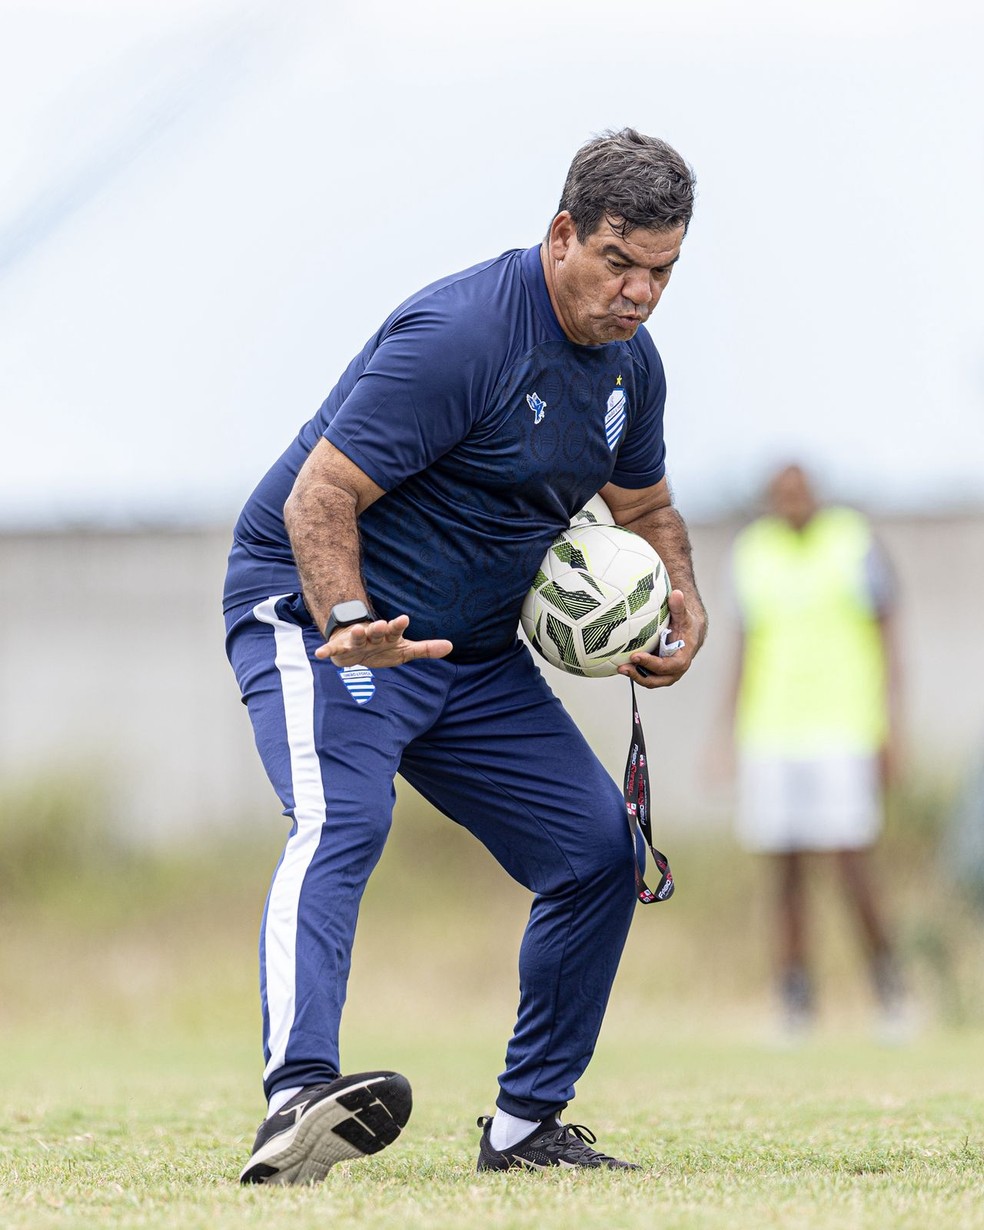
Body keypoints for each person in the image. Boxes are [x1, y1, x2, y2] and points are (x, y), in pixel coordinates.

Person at [223, 127, 707, 1183]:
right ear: (563, 234)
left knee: (597, 851)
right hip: (323, 619)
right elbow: (318, 496)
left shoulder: (632, 369)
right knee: (344, 818)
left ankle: (526, 1129)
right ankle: (297, 1096)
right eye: (619, 261)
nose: (638, 293)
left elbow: (647, 507)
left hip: (473, 650)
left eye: (662, 272)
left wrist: (682, 603)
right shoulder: (464, 336)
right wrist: (347, 614)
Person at [724, 463, 907, 1037]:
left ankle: (891, 992)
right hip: (770, 731)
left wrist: (891, 728)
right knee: (784, 871)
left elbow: (888, 633)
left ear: (816, 494)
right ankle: (795, 1002)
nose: (793, 501)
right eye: (781, 494)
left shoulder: (852, 541)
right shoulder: (752, 552)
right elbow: (743, 646)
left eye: (800, 491)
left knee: (852, 864)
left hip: (842, 728)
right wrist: (725, 733)